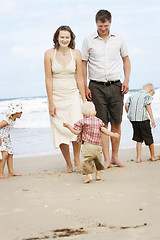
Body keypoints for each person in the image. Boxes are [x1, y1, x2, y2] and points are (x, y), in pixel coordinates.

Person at [82, 9, 131, 168]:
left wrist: (126, 80)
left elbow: (126, 60)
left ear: (110, 23)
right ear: (96, 23)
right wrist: (84, 85)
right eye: (100, 25)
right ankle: (107, 159)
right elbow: (84, 63)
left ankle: (115, 157)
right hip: (96, 86)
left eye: (106, 25)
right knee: (102, 125)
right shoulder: (88, 40)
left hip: (116, 85)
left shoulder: (119, 39)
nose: (103, 28)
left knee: (116, 122)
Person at [44, 25, 86, 173]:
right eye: (62, 37)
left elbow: (80, 78)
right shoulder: (49, 54)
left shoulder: (76, 53)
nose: (64, 39)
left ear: (71, 38)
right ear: (57, 37)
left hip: (73, 95)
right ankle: (68, 163)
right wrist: (51, 102)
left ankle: (77, 160)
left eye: (67, 37)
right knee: (60, 129)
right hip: (56, 96)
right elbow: (48, 79)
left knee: (76, 128)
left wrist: (84, 101)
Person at [63, 102, 119, 183]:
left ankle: (89, 176)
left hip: (88, 145)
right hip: (98, 145)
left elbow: (76, 132)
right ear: (95, 113)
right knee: (97, 160)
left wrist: (68, 126)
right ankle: (98, 175)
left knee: (87, 161)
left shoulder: (82, 121)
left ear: (82, 114)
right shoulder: (99, 121)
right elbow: (104, 130)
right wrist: (113, 134)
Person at [125, 83, 159, 163]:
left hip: (134, 120)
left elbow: (126, 106)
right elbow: (148, 106)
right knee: (149, 138)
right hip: (143, 120)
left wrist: (129, 115)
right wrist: (152, 119)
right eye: (152, 94)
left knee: (138, 139)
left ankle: (138, 158)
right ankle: (153, 156)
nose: (151, 95)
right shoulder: (146, 96)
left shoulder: (132, 95)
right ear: (150, 91)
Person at [0, 101, 23, 179]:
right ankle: (1, 173)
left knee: (10, 153)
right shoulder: (6, 120)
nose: (21, 113)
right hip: (0, 138)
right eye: (20, 111)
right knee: (5, 154)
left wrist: (8, 137)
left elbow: (6, 130)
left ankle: (11, 172)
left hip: (6, 138)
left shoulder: (13, 120)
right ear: (15, 112)